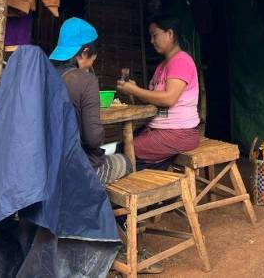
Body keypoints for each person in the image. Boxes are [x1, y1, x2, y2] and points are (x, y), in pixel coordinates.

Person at [50, 17, 130, 185]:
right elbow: (93, 139)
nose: (93, 60)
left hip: (46, 167)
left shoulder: (44, 74)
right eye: (94, 56)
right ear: (85, 51)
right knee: (125, 162)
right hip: (76, 170)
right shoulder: (85, 81)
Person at [117, 16, 200, 168]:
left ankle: (155, 176)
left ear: (170, 34)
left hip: (179, 133)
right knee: (122, 147)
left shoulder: (181, 60)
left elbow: (169, 99)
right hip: (161, 129)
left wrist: (135, 90)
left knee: (126, 152)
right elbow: (154, 99)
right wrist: (135, 90)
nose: (151, 41)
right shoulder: (162, 66)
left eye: (154, 35)